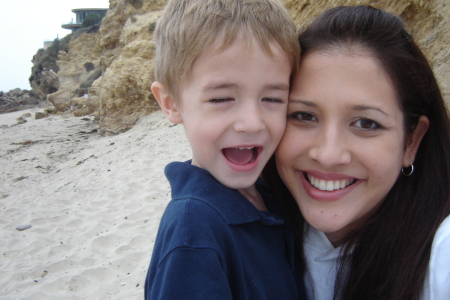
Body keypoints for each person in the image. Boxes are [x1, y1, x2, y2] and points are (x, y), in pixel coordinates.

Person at [263, 5, 450, 300]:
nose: (328, 154)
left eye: (366, 123)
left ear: (411, 141)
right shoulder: (248, 228)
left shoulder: (442, 256)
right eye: (304, 116)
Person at [144, 0, 305, 299]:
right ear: (170, 103)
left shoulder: (270, 192)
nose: (251, 123)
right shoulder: (193, 235)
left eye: (272, 98)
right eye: (221, 99)